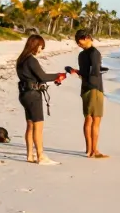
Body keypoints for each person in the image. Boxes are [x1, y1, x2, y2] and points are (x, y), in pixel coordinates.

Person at [15, 34, 66, 165]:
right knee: (38, 126)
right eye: (41, 47)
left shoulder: (21, 59)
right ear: (35, 45)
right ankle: (41, 156)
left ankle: (29, 156)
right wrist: (59, 75)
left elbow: (34, 77)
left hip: (24, 94)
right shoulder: (31, 60)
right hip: (33, 95)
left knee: (30, 125)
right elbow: (42, 76)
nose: (41, 50)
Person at [70, 29, 108, 158]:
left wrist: (77, 72)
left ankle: (88, 149)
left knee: (88, 118)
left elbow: (85, 72)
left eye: (78, 41)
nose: (78, 44)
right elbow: (95, 72)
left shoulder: (82, 55)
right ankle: (94, 151)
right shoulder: (95, 53)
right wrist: (101, 70)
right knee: (95, 120)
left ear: (86, 38)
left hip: (85, 88)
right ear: (87, 37)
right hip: (95, 88)